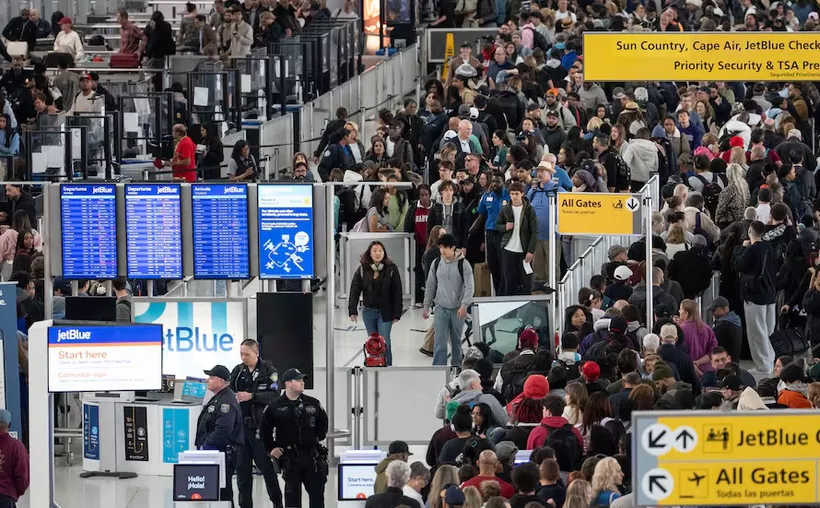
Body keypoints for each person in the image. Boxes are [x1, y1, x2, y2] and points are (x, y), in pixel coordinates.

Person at [260, 368, 328, 508]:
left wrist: (313, 439)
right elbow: (264, 430)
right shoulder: (275, 407)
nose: (302, 383)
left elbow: (323, 426)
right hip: (290, 458)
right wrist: (271, 448)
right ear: (288, 383)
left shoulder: (313, 403)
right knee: (292, 500)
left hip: (311, 457)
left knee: (317, 498)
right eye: (298, 380)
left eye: (302, 380)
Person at [230, 340, 283, 508]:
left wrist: (252, 396)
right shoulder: (238, 371)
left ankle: (277, 503)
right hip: (241, 428)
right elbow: (230, 392)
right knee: (242, 471)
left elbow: (275, 394)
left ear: (256, 353)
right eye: (241, 354)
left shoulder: (269, 371)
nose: (243, 357)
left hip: (260, 427)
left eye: (247, 354)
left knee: (266, 468)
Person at [423, 233, 475, 367]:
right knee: (439, 341)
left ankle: (456, 367)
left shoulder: (464, 264)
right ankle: (438, 368)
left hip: (457, 309)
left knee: (456, 341)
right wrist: (426, 306)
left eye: (445, 247)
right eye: (440, 247)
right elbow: (430, 285)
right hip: (440, 307)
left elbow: (470, 287)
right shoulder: (436, 263)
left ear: (453, 248)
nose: (443, 251)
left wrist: (464, 305)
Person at [348, 241, 403, 366]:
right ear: (370, 253)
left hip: (385, 312)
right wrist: (352, 310)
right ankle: (374, 365)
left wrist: (397, 313)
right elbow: (355, 289)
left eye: (380, 251)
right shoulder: (363, 269)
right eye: (375, 251)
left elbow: (397, 291)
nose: (378, 253)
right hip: (368, 311)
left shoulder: (391, 269)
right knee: (373, 342)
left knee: (384, 340)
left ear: (384, 253)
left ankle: (387, 365)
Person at [195, 365, 244, 507]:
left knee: (223, 490)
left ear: (221, 381)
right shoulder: (219, 397)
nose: (207, 380)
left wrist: (207, 445)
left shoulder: (226, 400)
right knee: (217, 489)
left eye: (211, 378)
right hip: (216, 452)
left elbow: (223, 430)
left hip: (222, 452)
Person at [734, 220, 777, 375]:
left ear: (750, 232)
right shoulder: (769, 248)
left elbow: (738, 265)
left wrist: (742, 249)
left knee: (756, 332)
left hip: (754, 295)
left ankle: (762, 365)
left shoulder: (751, 250)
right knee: (769, 331)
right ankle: (770, 362)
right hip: (769, 294)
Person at [496, 181, 538, 296]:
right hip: (508, 249)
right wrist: (505, 227)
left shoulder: (529, 210)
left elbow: (534, 231)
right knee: (509, 281)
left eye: (516, 194)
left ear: (522, 194)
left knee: (525, 281)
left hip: (523, 250)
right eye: (512, 194)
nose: (514, 196)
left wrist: (530, 250)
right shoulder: (505, 209)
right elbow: (498, 225)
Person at [474, 174, 510, 295]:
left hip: (503, 233)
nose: (494, 184)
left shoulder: (509, 195)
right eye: (493, 181)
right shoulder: (487, 196)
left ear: (503, 182)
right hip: (490, 233)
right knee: (492, 264)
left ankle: (503, 294)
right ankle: (497, 292)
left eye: (497, 181)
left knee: (503, 265)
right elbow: (481, 215)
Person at [0, 409, 28, 506]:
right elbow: (23, 476)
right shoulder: (16, 446)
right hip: (6, 498)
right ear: (9, 425)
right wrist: (15, 493)